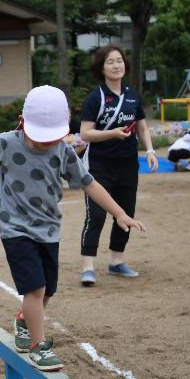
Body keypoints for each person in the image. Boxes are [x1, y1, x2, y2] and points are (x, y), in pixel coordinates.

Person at [0, 85, 145, 371]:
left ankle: (23, 321)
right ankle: (38, 346)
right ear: (24, 122)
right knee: (35, 287)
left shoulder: (63, 151)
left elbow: (90, 183)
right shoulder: (7, 142)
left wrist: (119, 213)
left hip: (48, 229)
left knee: (47, 291)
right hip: (14, 227)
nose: (44, 142)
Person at [78, 45, 158, 287]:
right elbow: (85, 133)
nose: (116, 65)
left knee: (126, 212)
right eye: (110, 62)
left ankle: (116, 261)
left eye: (119, 60)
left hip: (128, 164)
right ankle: (88, 267)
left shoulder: (133, 96)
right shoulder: (95, 98)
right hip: (99, 165)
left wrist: (150, 150)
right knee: (97, 214)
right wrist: (111, 133)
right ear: (101, 68)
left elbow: (142, 127)